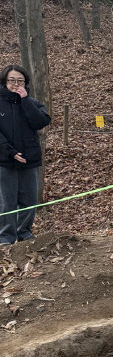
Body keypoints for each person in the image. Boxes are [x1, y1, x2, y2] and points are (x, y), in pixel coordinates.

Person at [0, 64, 51, 245]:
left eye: (20, 81)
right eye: (12, 80)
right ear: (4, 82)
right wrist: (10, 152)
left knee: (29, 200)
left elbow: (41, 122)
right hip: (5, 160)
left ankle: (24, 233)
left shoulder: (32, 102)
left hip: (29, 160)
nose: (16, 84)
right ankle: (6, 237)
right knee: (7, 201)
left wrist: (26, 101)